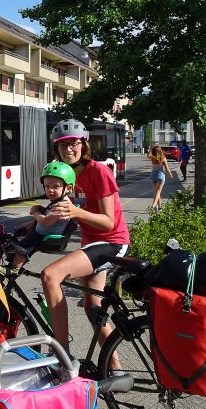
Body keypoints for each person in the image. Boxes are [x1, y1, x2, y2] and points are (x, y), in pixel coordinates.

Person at [39, 119, 129, 367]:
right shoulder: (66, 174)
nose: (69, 149)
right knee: (92, 308)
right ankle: (116, 369)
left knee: (50, 276)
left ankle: (62, 352)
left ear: (84, 144)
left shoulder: (98, 172)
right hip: (91, 244)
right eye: (63, 145)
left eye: (74, 144)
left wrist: (77, 213)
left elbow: (109, 222)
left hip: (112, 242)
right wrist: (34, 221)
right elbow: (59, 214)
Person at [9, 161, 76, 269]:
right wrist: (33, 221)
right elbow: (49, 216)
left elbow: (45, 221)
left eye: (56, 186)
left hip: (44, 236)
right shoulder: (58, 201)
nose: (50, 190)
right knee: (17, 235)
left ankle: (13, 269)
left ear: (67, 188)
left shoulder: (62, 205)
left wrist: (35, 211)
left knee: (23, 247)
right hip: (42, 231)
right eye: (47, 186)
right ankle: (16, 260)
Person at [147, 145, 174, 212]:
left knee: (156, 192)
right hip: (160, 175)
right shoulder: (163, 158)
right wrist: (171, 176)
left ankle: (159, 207)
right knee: (158, 192)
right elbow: (167, 169)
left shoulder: (152, 157)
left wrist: (151, 149)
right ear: (160, 151)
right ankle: (153, 205)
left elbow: (148, 154)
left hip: (153, 175)